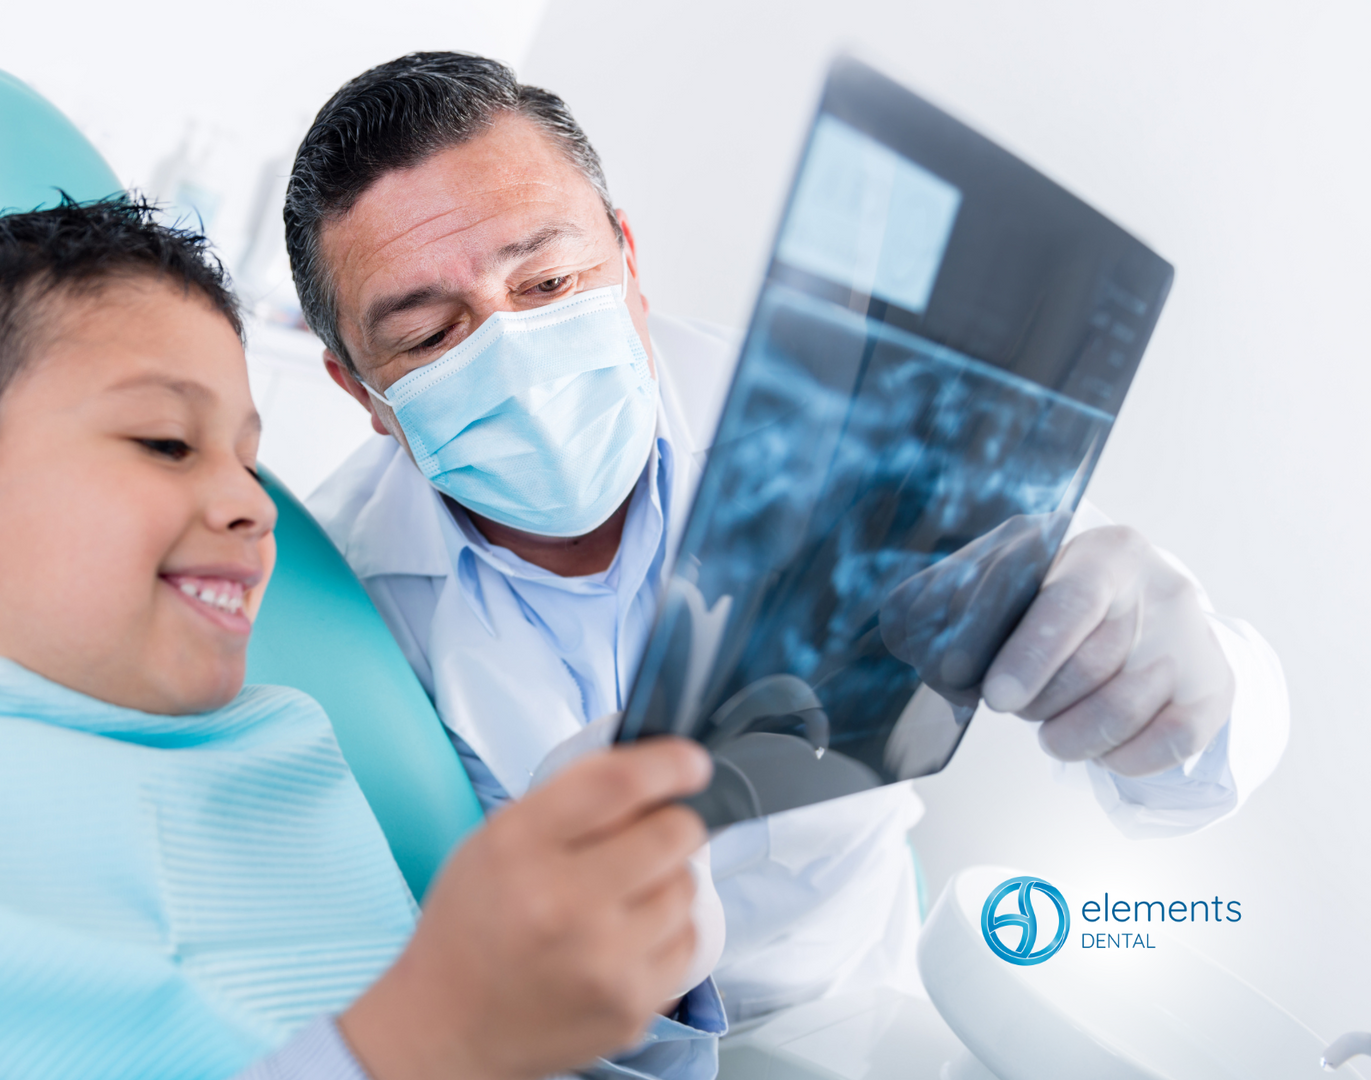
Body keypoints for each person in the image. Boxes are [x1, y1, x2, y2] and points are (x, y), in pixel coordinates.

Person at [0, 200, 730, 1080]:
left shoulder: (280, 743)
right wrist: (417, 1041)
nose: (253, 505)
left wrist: (626, 987)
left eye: (247, 454)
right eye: (167, 443)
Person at [288, 52, 1291, 1020]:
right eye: (428, 337)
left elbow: (1183, 778)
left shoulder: (846, 427)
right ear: (360, 390)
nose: (508, 345)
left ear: (628, 259)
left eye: (547, 283)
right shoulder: (326, 610)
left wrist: (1192, 694)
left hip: (862, 1013)